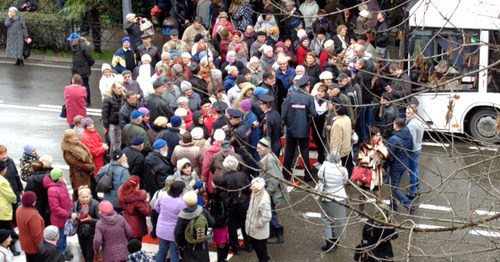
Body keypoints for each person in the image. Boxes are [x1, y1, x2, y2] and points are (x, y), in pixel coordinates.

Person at [282, 75, 317, 181]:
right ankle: (307, 175)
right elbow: (313, 114)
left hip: (291, 130)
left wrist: (290, 124)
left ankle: (285, 174)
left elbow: (284, 115)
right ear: (307, 86)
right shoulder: (309, 98)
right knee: (304, 153)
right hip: (304, 131)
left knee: (289, 153)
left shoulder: (290, 98)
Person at [256, 138, 289, 245]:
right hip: (270, 190)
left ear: (266, 149)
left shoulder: (269, 160)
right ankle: (273, 232)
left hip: (271, 191)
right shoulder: (269, 157)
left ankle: (278, 234)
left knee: (270, 212)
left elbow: (274, 179)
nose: (257, 150)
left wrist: (267, 192)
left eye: (259, 149)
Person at [317, 151, 348, 252]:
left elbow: (319, 177)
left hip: (327, 197)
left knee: (326, 220)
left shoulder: (323, 168)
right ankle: (336, 242)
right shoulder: (343, 170)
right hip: (340, 197)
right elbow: (345, 181)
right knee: (339, 221)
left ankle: (329, 243)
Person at [384, 118, 415, 213]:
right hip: (404, 163)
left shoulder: (393, 140)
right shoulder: (408, 134)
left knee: (394, 188)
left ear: (396, 126)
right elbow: (411, 147)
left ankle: (408, 204)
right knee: (394, 186)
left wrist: (384, 167)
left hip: (396, 166)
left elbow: (390, 157)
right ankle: (393, 207)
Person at [223, 155, 252, 254]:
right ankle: (249, 246)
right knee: (245, 225)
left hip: (231, 206)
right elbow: (249, 189)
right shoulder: (242, 175)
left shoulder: (224, 178)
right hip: (243, 204)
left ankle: (235, 248)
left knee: (232, 228)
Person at [174, 191, 214, 262]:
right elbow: (212, 222)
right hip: (202, 243)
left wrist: (180, 244)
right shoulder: (202, 211)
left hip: (189, 244)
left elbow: (178, 233)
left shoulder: (183, 216)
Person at [43, 169, 73, 260]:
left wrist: (71, 207)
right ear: (56, 178)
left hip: (65, 217)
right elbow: (55, 208)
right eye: (61, 176)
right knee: (60, 239)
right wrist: (67, 214)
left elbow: (67, 198)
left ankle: (63, 252)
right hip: (59, 219)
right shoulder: (52, 190)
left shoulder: (62, 184)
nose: (63, 177)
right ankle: (61, 255)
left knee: (64, 237)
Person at [357, 127, 389, 208]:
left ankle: (379, 215)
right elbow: (361, 160)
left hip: (376, 173)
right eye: (376, 136)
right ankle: (360, 213)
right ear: (371, 136)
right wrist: (370, 157)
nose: (377, 138)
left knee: (377, 194)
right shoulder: (363, 146)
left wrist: (380, 145)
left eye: (379, 136)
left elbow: (386, 156)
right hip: (366, 172)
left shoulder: (380, 146)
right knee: (362, 193)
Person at [155, 180, 186, 262]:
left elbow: (156, 207)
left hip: (161, 228)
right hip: (174, 232)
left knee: (162, 250)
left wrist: (163, 214)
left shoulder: (162, 195)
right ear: (181, 190)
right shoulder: (182, 202)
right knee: (174, 252)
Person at [61, 129, 95, 201]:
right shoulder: (68, 151)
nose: (76, 138)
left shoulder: (78, 145)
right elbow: (77, 164)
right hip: (78, 176)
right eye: (74, 137)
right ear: (68, 139)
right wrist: (88, 167)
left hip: (85, 174)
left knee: (87, 192)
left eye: (76, 136)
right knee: (80, 194)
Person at [70, 186, 100, 262]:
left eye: (86, 197)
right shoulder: (76, 204)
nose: (85, 199)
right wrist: (72, 215)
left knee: (90, 253)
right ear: (79, 197)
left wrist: (91, 220)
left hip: (91, 233)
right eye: (82, 197)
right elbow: (71, 212)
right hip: (80, 232)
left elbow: (100, 220)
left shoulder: (95, 204)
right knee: (84, 252)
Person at [245, 177, 272, 262]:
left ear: (259, 188)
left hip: (259, 230)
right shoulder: (255, 193)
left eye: (253, 187)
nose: (251, 188)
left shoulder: (264, 200)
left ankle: (263, 259)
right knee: (256, 247)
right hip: (252, 227)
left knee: (260, 249)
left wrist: (259, 223)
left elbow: (267, 216)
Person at [118, 176, 152, 241]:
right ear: (136, 186)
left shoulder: (122, 195)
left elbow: (120, 206)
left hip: (125, 222)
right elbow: (146, 211)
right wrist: (147, 202)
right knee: (136, 246)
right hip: (137, 226)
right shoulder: (138, 199)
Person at [16, 191, 44, 262]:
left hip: (25, 243)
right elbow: (36, 235)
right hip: (33, 247)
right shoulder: (33, 215)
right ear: (32, 202)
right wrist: (42, 248)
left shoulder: (19, 209)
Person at [68, 32, 95, 105]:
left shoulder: (83, 47)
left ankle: (87, 101)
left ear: (76, 40)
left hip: (83, 70)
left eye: (72, 40)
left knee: (85, 85)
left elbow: (91, 59)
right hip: (75, 69)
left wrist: (86, 66)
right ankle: (72, 99)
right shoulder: (74, 46)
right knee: (72, 84)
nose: (71, 42)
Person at [24, 156, 52, 226]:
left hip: (37, 203)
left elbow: (27, 191)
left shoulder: (31, 179)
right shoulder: (48, 176)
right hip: (47, 202)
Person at [80, 117, 108, 188]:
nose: (91, 127)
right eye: (89, 126)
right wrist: (103, 148)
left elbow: (99, 141)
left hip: (99, 159)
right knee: (96, 178)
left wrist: (102, 145)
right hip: (95, 161)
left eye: (92, 124)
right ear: (85, 127)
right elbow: (93, 152)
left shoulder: (93, 131)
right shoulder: (86, 137)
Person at [406, 105, 425, 200]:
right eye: (406, 112)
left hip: (412, 150)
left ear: (414, 113)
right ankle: (418, 189)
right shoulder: (420, 121)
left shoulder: (412, 124)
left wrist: (408, 149)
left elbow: (411, 140)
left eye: (409, 113)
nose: (406, 115)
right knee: (415, 169)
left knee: (411, 172)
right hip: (418, 148)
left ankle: (412, 192)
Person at [210, 175, 231, 262]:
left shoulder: (217, 196)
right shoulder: (226, 193)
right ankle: (224, 257)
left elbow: (219, 213)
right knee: (226, 240)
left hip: (219, 224)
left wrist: (213, 222)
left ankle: (221, 259)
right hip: (226, 222)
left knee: (220, 242)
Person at [329, 105, 353, 174]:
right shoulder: (347, 119)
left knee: (340, 170)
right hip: (347, 147)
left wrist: (335, 152)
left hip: (340, 151)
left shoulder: (337, 123)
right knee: (347, 167)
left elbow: (336, 140)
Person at [102, 82, 125, 152]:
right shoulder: (107, 99)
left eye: (121, 88)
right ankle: (111, 158)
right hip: (111, 124)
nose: (120, 90)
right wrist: (106, 126)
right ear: (113, 89)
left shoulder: (123, 97)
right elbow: (104, 113)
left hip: (119, 123)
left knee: (118, 141)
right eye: (118, 88)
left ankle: (118, 155)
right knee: (112, 143)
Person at [0, 160, 17, 253]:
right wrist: (15, 200)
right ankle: (7, 250)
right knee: (5, 231)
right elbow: (11, 196)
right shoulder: (2, 181)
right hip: (3, 210)